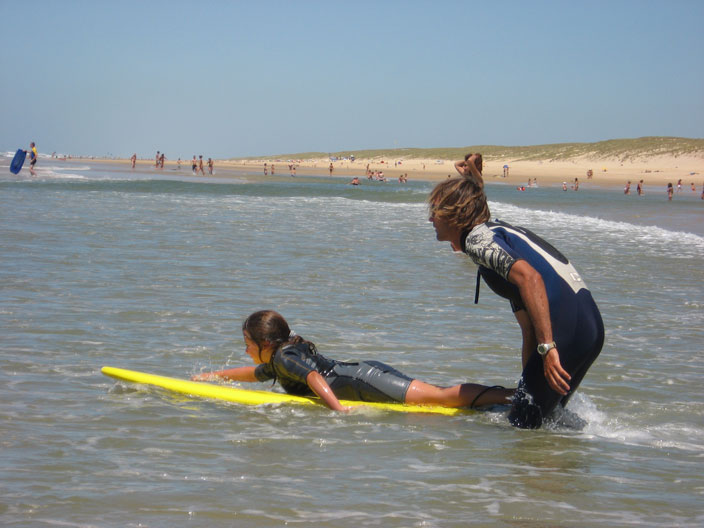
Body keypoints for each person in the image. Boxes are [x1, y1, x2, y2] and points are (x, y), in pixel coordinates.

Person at [427, 175, 604, 428]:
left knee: (523, 427)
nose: (430, 219)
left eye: (435, 211)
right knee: (541, 421)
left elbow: (531, 279)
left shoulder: (479, 242)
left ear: (455, 213)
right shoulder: (496, 233)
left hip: (566, 331)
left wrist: (547, 347)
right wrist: (528, 381)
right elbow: (527, 324)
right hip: (588, 328)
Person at [192, 310, 514, 411]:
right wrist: (213, 376)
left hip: (363, 381)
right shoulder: (279, 357)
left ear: (265, 343)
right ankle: (507, 397)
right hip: (361, 375)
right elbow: (252, 373)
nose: (245, 349)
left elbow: (314, 380)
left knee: (441, 398)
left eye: (247, 343)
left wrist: (337, 410)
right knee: (437, 393)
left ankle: (514, 397)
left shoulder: (284, 357)